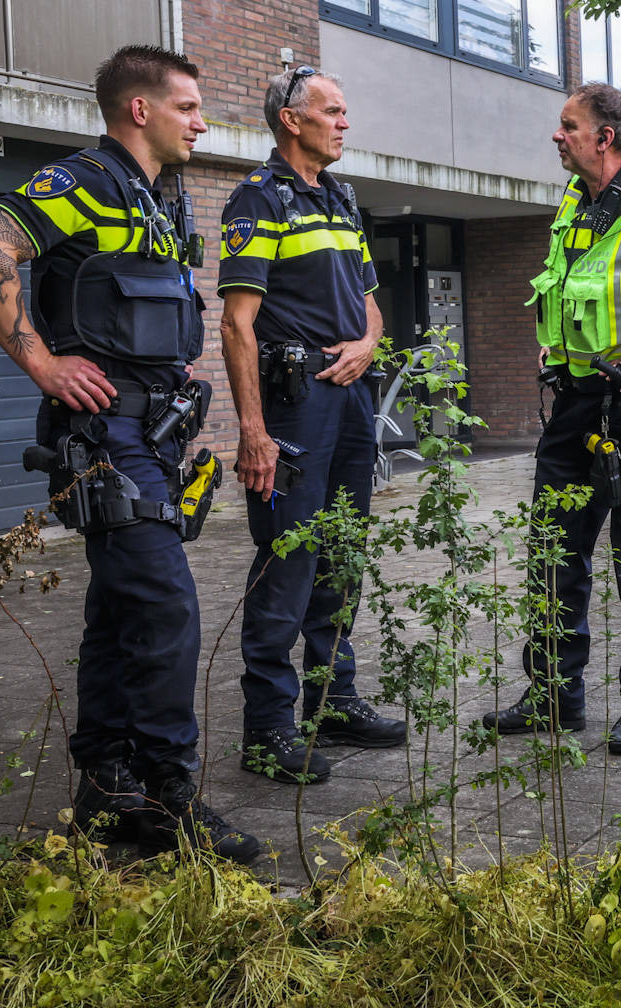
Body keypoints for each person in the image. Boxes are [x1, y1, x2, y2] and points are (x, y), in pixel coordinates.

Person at [0, 45, 260, 863]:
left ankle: (108, 787)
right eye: (188, 107)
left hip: (153, 434)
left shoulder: (161, 198)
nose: (201, 123)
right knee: (165, 607)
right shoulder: (83, 181)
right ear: (139, 109)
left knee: (122, 609)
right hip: (102, 432)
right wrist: (43, 364)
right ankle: (167, 796)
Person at [479, 83, 621, 755]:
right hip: (576, 400)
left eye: (568, 125)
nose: (558, 135)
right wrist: (555, 343)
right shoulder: (574, 200)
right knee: (555, 550)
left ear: (605, 137)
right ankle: (554, 696)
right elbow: (571, 286)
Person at [218, 67, 409, 785]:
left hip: (351, 394)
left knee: (341, 554)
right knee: (289, 558)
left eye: (344, 111)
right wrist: (253, 431)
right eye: (332, 111)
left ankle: (333, 702)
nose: (344, 122)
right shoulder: (258, 198)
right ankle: (268, 729)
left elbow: (371, 302)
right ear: (291, 120)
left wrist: (368, 343)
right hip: (295, 405)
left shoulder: (341, 198)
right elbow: (236, 325)